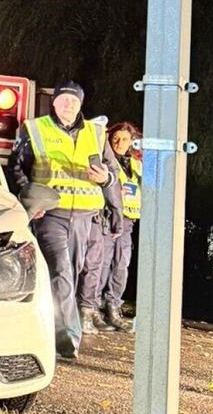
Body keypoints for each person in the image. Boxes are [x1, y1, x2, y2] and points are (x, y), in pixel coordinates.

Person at [7, 80, 121, 360]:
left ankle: (48, 329)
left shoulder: (96, 133)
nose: (69, 104)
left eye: (74, 100)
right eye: (64, 99)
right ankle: (67, 338)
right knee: (61, 273)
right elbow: (17, 168)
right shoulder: (35, 128)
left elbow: (114, 173)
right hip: (51, 215)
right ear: (54, 102)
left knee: (72, 272)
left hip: (85, 218)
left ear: (81, 105)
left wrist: (105, 178)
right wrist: (33, 199)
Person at [97, 122, 141, 331]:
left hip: (127, 221)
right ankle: (94, 307)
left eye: (124, 139)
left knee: (121, 265)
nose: (119, 142)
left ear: (132, 141)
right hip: (106, 218)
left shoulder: (137, 164)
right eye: (115, 138)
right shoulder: (104, 160)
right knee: (102, 264)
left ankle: (113, 306)